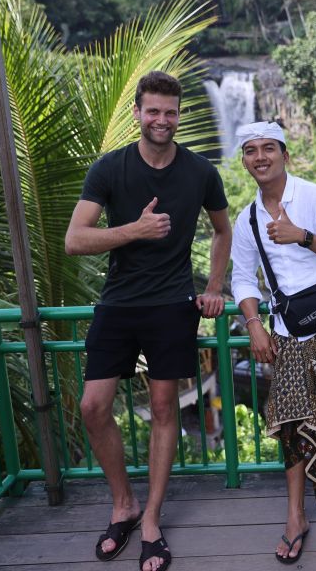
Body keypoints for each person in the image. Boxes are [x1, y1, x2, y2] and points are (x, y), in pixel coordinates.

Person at [64, 71, 231, 571]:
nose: (162, 120)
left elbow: (223, 230)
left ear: (179, 116)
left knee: (164, 408)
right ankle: (124, 505)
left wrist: (214, 287)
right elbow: (75, 239)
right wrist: (134, 229)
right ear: (137, 113)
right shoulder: (110, 169)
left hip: (173, 303)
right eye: (153, 111)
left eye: (171, 112)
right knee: (94, 406)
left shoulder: (201, 172)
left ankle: (152, 518)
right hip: (118, 303)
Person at [230, 121, 316, 563]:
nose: (260, 157)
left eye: (268, 148)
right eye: (250, 151)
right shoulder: (247, 218)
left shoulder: (315, 198)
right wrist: (253, 324)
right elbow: (241, 277)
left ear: (284, 154)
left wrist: (302, 237)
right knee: (289, 424)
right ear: (245, 161)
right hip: (286, 332)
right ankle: (296, 516)